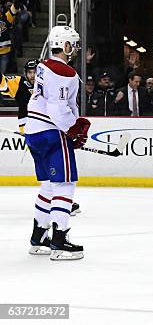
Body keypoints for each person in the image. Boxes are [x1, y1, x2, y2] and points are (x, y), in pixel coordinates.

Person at [24, 25, 90, 261]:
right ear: (65, 45)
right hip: (52, 131)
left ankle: (38, 237)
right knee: (65, 184)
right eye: (72, 44)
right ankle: (59, 241)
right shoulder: (64, 72)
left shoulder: (42, 66)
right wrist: (73, 129)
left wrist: (72, 128)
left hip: (34, 131)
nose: (75, 49)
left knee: (50, 185)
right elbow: (58, 107)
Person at [1, 59, 82, 216]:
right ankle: (60, 201)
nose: (32, 75)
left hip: (50, 131)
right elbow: (2, 83)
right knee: (52, 170)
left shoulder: (49, 82)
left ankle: (59, 201)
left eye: (34, 72)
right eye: (29, 72)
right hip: (36, 133)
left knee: (52, 170)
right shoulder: (19, 83)